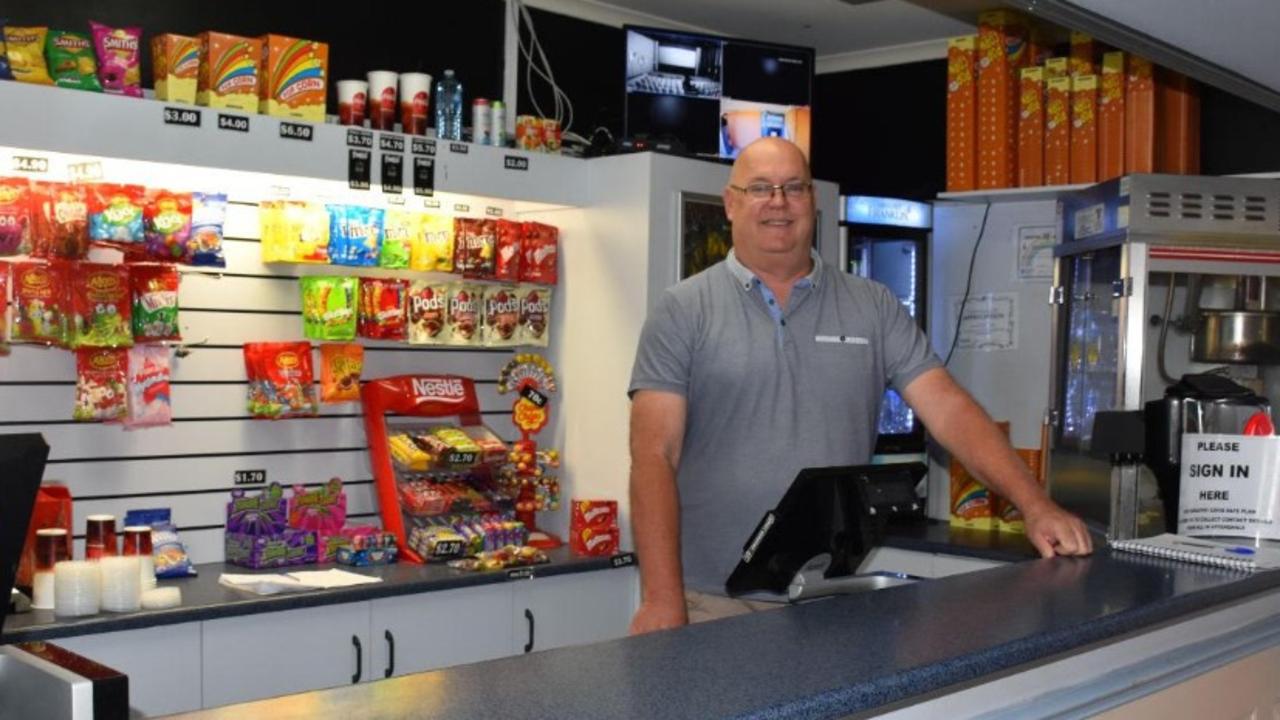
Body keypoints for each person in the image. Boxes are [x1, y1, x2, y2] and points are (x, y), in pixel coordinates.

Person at [626, 137, 1092, 634]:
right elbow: (654, 456)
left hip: (829, 597)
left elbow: (950, 411)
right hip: (710, 602)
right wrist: (661, 597)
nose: (778, 202)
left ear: (813, 202)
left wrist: (1035, 505)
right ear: (731, 203)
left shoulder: (873, 305)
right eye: (760, 188)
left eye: (793, 188)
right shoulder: (682, 311)